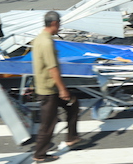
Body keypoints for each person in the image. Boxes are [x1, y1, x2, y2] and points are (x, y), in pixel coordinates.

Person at [32, 11, 83, 162]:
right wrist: (63, 89)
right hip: (48, 89)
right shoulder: (46, 42)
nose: (60, 27)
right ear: (54, 23)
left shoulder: (40, 37)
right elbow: (52, 69)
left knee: (73, 104)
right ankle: (39, 154)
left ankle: (72, 137)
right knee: (48, 123)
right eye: (59, 24)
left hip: (49, 86)